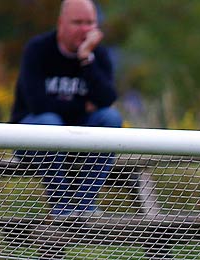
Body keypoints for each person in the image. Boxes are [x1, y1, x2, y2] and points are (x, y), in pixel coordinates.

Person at [11, 0, 123, 217]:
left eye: (90, 22)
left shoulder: (98, 55)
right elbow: (38, 105)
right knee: (49, 121)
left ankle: (84, 205)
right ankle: (61, 206)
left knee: (110, 118)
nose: (85, 29)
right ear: (61, 23)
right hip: (31, 136)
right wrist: (83, 107)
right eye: (78, 22)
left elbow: (107, 99)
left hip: (76, 137)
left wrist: (86, 59)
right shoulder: (38, 49)